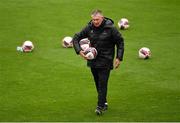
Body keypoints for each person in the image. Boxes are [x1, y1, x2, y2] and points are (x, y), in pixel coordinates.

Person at [72, 9, 124, 115]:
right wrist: (79, 51)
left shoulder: (111, 29)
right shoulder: (89, 27)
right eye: (93, 19)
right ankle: (104, 102)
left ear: (102, 18)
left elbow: (120, 42)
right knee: (97, 83)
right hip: (93, 60)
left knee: (102, 83)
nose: (95, 22)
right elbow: (76, 37)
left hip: (106, 60)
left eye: (97, 19)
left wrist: (119, 58)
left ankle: (99, 107)